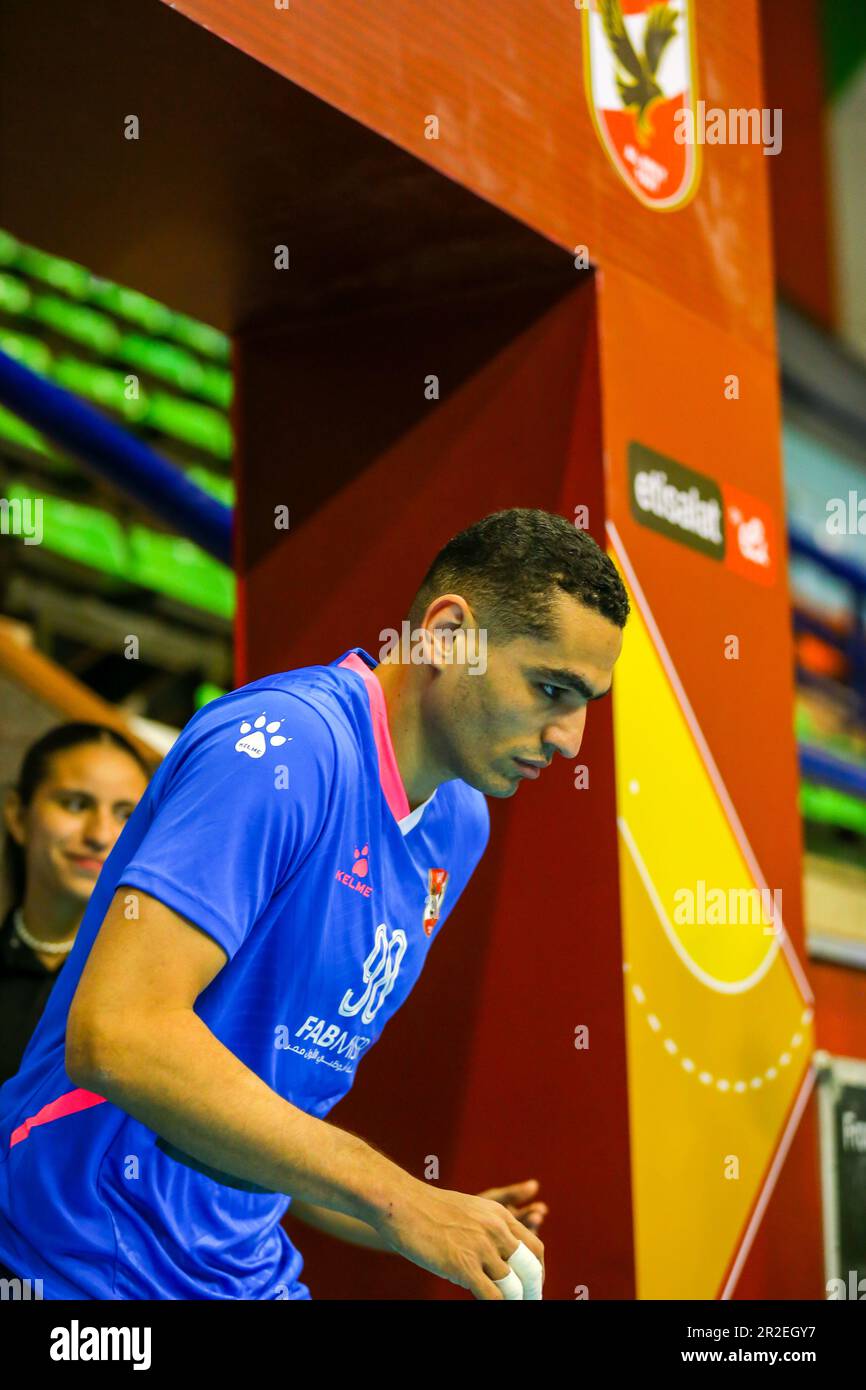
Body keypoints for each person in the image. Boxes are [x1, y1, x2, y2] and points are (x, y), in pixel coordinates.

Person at [0, 508, 628, 1300]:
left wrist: (441, 1220)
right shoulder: (280, 749)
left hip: (244, 1275)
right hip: (72, 1262)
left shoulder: (459, 823)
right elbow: (118, 1036)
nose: (570, 738)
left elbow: (257, 1117)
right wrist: (399, 1199)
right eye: (550, 689)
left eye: (587, 703)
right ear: (444, 635)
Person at [0, 724, 150, 1089]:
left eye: (125, 814)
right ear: (18, 816)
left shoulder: (150, 995)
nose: (99, 835)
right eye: (75, 804)